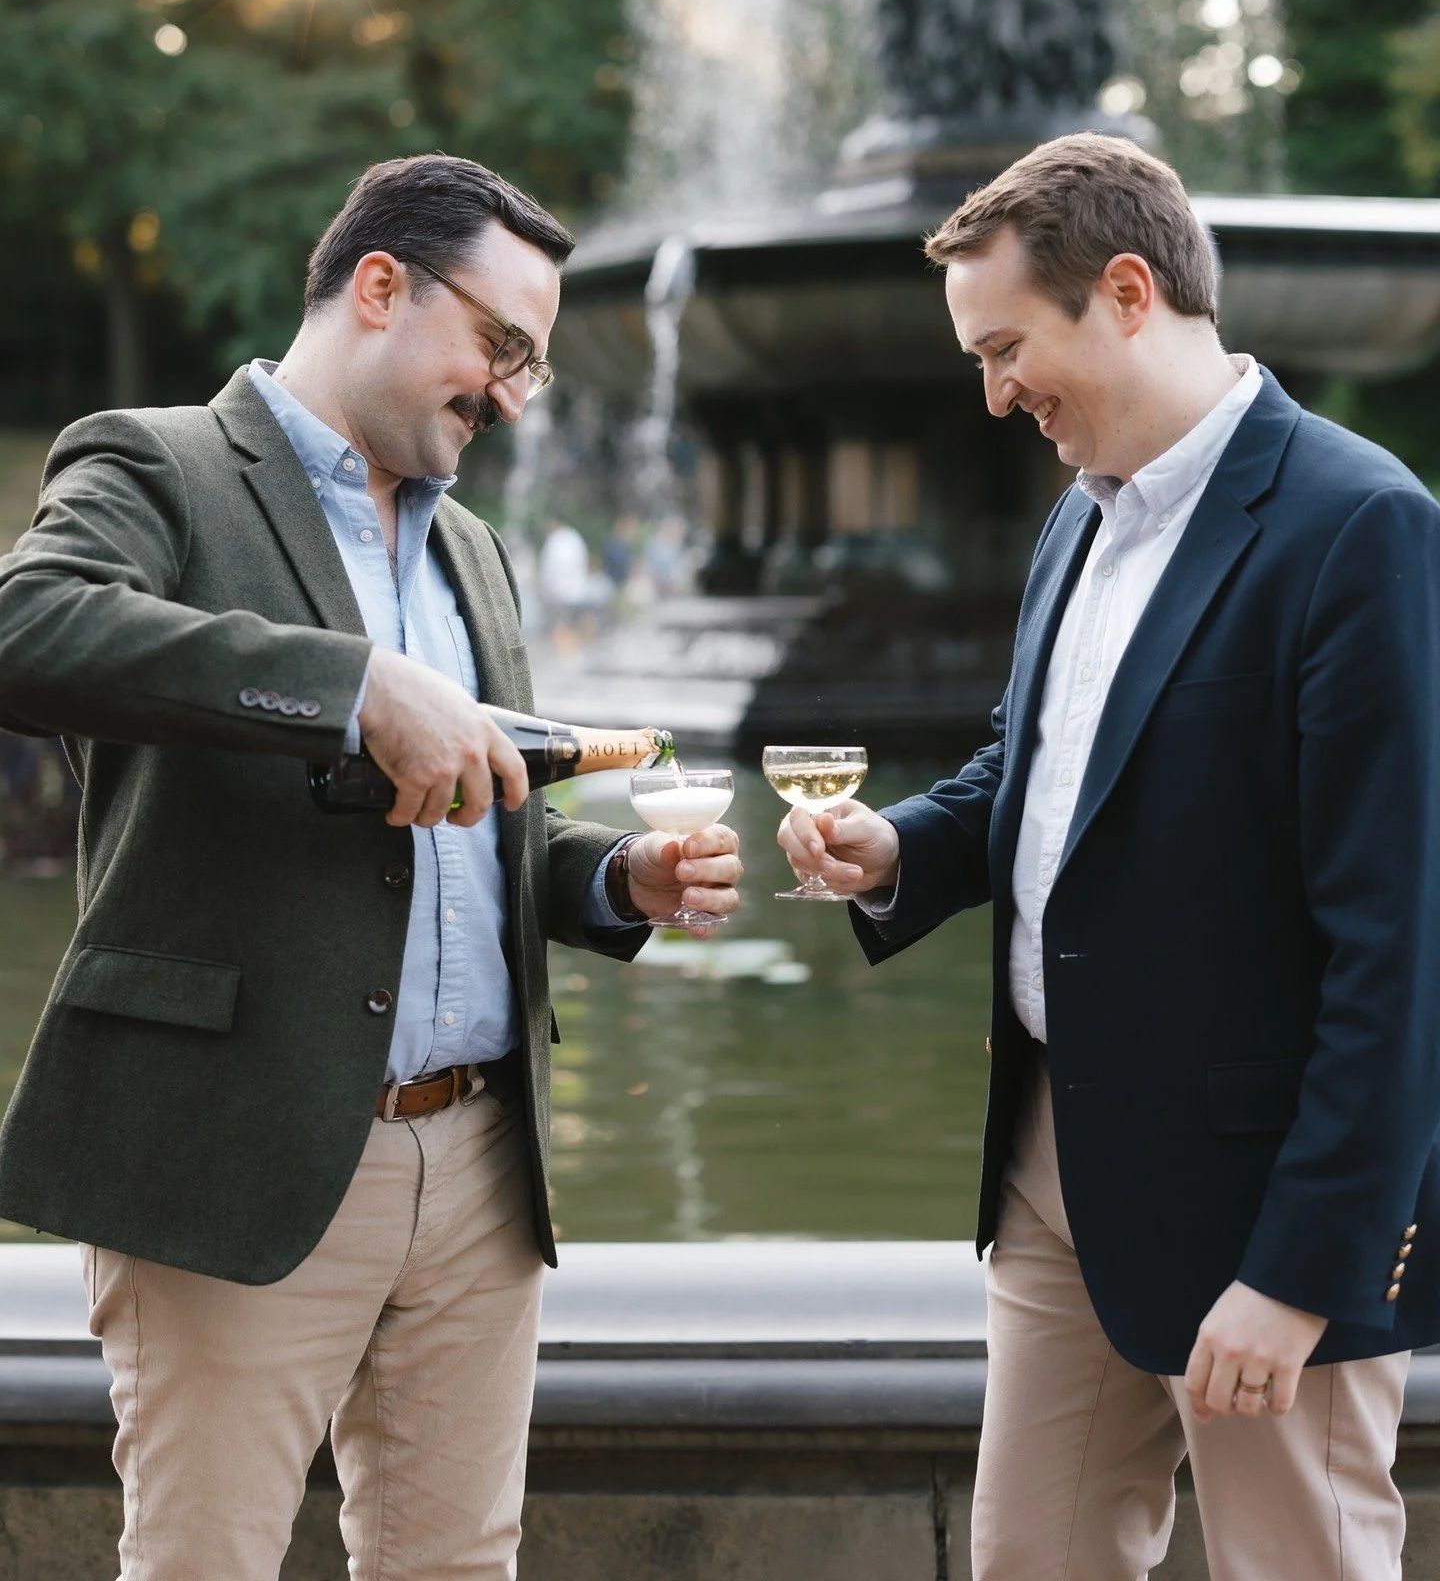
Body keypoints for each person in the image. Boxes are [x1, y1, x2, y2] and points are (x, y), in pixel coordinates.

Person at [0, 153, 743, 1581]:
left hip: (479, 1166)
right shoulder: (155, 462)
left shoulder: (473, 546)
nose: (518, 393)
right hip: (237, 1145)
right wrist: (353, 687)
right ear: (382, 286)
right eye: (503, 345)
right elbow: (31, 630)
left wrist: (611, 883)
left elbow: (468, 835)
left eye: (532, 360)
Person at [777, 133, 1440, 1580]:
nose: (994, 391)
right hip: (1047, 1177)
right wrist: (898, 844)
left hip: (1256, 1197)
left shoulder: (1364, 527)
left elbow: (1405, 954)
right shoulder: (1079, 518)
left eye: (1006, 345)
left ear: (1128, 291)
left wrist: (1298, 1273)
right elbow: (1033, 770)